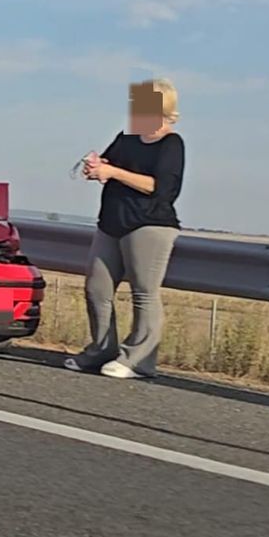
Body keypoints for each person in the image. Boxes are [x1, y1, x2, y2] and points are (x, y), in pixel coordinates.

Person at [66, 78, 185, 379]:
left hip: (149, 224)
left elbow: (161, 188)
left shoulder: (171, 144)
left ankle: (139, 360)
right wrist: (96, 168)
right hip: (111, 222)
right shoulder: (126, 138)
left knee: (144, 292)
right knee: (97, 288)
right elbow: (108, 165)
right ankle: (101, 350)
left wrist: (114, 172)